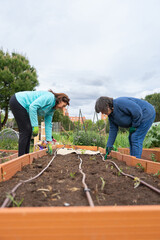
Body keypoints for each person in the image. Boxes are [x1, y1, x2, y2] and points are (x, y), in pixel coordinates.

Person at [9, 90, 70, 156]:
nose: (62, 107)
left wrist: (49, 142)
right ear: (60, 100)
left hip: (24, 106)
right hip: (18, 101)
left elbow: (48, 124)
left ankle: (25, 156)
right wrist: (35, 126)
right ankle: (21, 157)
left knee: (28, 131)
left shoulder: (52, 109)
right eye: (63, 105)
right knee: (26, 130)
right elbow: (33, 107)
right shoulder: (50, 98)